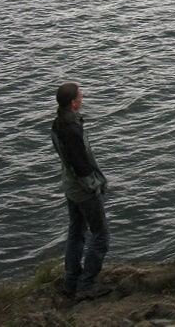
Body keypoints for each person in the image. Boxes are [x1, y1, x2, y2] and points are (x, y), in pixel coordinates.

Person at [51, 82, 110, 298]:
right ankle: (87, 285)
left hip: (70, 188)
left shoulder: (58, 123)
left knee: (76, 232)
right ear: (73, 102)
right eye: (80, 95)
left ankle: (71, 280)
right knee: (101, 235)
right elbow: (81, 165)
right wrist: (95, 187)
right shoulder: (72, 129)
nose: (83, 97)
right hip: (83, 191)